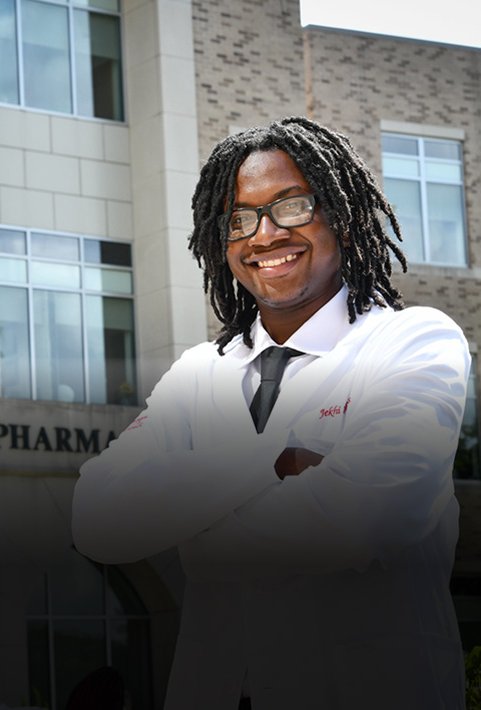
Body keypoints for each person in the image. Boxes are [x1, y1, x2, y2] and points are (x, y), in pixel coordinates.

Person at [71, 117, 470, 709]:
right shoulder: (199, 372)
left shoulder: (414, 342)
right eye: (239, 218)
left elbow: (369, 520)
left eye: (291, 206)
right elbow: (97, 520)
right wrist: (274, 460)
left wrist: (191, 522)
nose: (263, 235)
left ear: (339, 211)